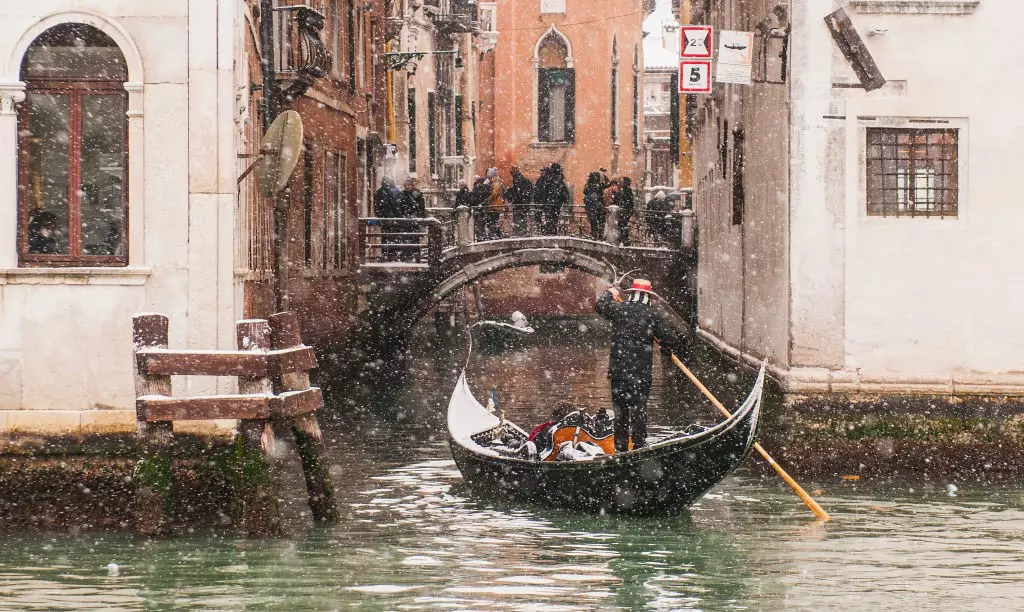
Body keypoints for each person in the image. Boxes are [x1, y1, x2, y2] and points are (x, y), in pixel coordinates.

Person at [595, 279, 687, 452]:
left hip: (618, 372)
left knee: (621, 411)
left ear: (631, 294)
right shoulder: (653, 314)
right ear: (648, 296)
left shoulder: (619, 309)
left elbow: (600, 306)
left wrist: (610, 293)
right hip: (640, 373)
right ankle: (639, 446)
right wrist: (665, 349)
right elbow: (671, 339)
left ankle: (621, 448)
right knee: (638, 409)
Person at [536, 163, 570, 235]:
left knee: (549, 221)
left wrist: (543, 202)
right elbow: (565, 193)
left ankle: (549, 233)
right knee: (554, 220)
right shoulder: (559, 180)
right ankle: (552, 233)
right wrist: (563, 200)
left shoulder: (550, 180)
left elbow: (545, 192)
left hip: (549, 204)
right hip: (555, 205)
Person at [374, 177, 402, 261]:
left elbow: (377, 206)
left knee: (386, 237)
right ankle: (392, 255)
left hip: (386, 218)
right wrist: (398, 216)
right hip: (392, 219)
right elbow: (398, 206)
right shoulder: (396, 191)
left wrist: (380, 216)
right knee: (393, 237)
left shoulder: (380, 192)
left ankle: (386, 255)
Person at [400, 177, 427, 261]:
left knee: (414, 238)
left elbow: (422, 208)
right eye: (406, 185)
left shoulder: (417, 194)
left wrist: (420, 218)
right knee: (408, 238)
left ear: (412, 185)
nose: (408, 187)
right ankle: (409, 256)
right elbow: (400, 207)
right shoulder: (403, 194)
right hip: (407, 220)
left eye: (409, 185)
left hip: (414, 219)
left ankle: (415, 256)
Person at [506, 165, 534, 236]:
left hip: (520, 204)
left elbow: (518, 192)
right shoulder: (519, 179)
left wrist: (513, 196)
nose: (511, 174)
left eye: (511, 172)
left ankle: (520, 234)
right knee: (521, 220)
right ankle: (521, 233)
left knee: (519, 220)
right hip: (522, 204)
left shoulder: (518, 179)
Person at [583, 172, 606, 240]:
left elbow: (585, 193)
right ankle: (600, 236)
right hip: (599, 207)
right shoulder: (599, 186)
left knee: (593, 223)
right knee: (601, 222)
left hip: (591, 207)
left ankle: (594, 236)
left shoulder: (588, 186)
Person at [483, 167, 504, 240]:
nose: (488, 179)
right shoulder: (495, 182)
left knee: (493, 220)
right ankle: (495, 234)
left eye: (489, 177)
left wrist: (487, 200)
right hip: (495, 204)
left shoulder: (496, 182)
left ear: (491, 176)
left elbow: (494, 193)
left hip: (495, 205)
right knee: (493, 220)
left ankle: (495, 235)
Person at [615, 176, 635, 246]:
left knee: (622, 224)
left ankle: (625, 239)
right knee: (622, 224)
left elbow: (627, 201)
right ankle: (624, 239)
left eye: (622, 182)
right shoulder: (627, 190)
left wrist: (623, 207)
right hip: (626, 211)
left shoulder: (626, 190)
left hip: (625, 211)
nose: (621, 183)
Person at [470, 175, 490, 242]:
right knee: (480, 225)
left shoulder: (480, 188)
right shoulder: (483, 187)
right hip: (481, 208)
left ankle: (480, 238)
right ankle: (482, 237)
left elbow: (478, 198)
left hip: (479, 209)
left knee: (479, 225)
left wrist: (473, 200)